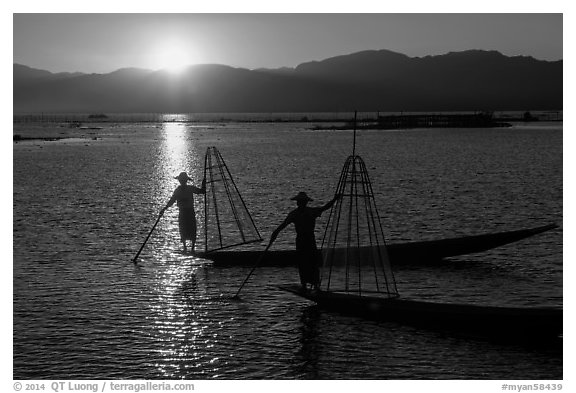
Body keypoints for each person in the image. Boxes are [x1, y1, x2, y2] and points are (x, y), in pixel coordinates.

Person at [270, 192, 338, 291]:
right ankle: (307, 284)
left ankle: (313, 284)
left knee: (311, 262)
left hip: (308, 239)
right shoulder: (297, 213)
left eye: (301, 201)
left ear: (303, 203)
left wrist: (334, 199)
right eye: (299, 202)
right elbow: (282, 226)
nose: (300, 203)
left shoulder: (308, 212)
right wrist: (274, 234)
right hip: (303, 239)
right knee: (305, 262)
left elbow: (325, 207)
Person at [161, 172, 206, 253]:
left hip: (189, 211)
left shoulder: (189, 188)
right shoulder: (178, 190)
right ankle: (186, 248)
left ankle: (191, 249)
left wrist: (204, 184)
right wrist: (164, 208)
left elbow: (202, 191)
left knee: (191, 229)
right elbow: (172, 201)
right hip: (184, 212)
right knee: (183, 229)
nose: (181, 182)